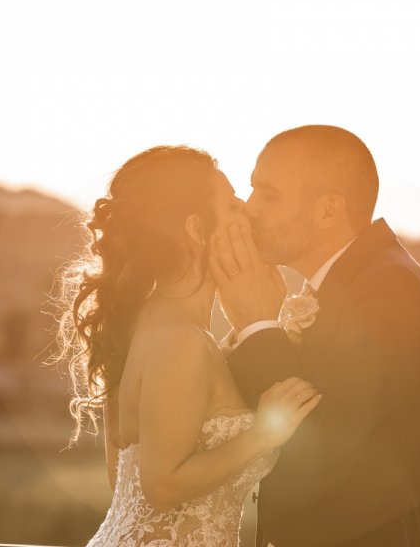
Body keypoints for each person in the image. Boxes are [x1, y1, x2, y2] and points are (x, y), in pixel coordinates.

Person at [54, 146, 321, 547]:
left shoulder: (151, 325)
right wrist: (263, 434)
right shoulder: (180, 340)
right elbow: (160, 487)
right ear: (197, 230)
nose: (247, 212)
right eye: (232, 204)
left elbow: (123, 479)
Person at [211, 125, 420, 547]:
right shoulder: (344, 283)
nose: (249, 210)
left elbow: (322, 437)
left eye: (268, 195)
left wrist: (257, 324)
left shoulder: (390, 287)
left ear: (327, 211)